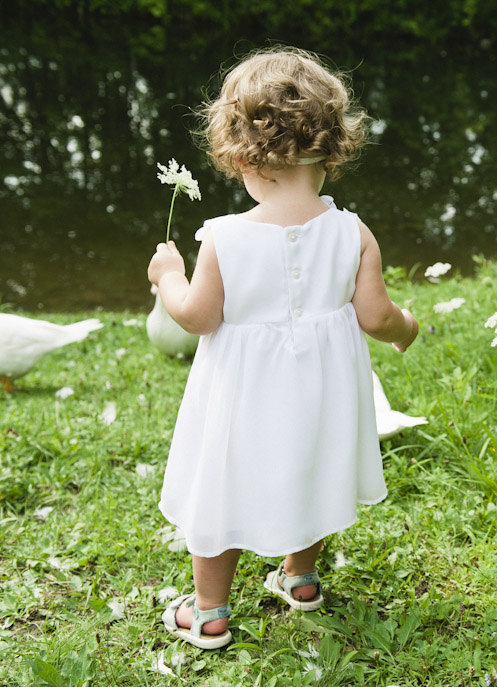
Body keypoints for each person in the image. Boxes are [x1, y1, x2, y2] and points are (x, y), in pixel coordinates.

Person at [147, 46, 418, 650]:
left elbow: (196, 316)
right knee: (312, 466)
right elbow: (377, 316)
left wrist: (167, 276)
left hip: (242, 394)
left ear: (238, 155)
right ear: (333, 146)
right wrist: (407, 328)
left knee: (224, 483)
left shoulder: (223, 237)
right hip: (319, 391)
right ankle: (300, 578)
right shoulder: (353, 232)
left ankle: (209, 613)